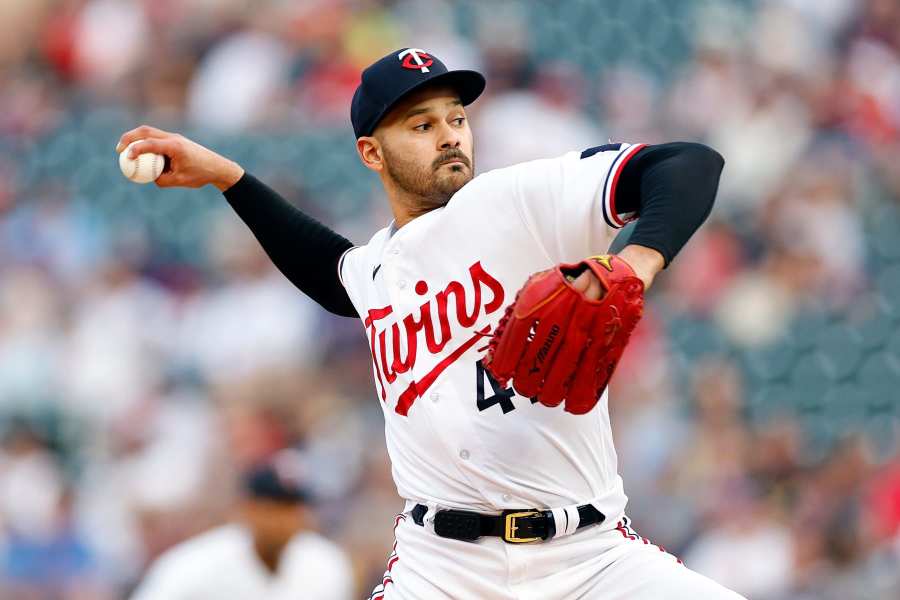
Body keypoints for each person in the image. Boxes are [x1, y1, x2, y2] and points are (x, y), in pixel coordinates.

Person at [117, 47, 741, 599]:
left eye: (457, 118)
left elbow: (687, 163)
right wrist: (230, 177)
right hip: (440, 567)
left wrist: (637, 260)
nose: (449, 136)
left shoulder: (515, 200)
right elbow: (330, 272)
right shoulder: (375, 270)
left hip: (589, 558)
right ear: (371, 152)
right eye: (421, 125)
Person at [129, 452, 354, 600]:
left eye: (291, 508)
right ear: (247, 508)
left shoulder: (327, 564)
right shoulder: (194, 565)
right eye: (272, 507)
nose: (282, 520)